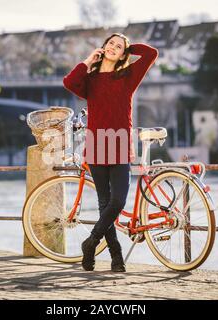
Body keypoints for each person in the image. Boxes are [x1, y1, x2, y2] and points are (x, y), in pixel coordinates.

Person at [63, 33, 158, 272]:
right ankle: (116, 258)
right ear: (103, 47)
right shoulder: (91, 79)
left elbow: (150, 54)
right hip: (96, 144)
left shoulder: (128, 76)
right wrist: (88, 60)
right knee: (104, 203)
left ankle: (91, 242)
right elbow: (69, 82)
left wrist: (127, 48)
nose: (114, 48)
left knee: (117, 201)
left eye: (119, 46)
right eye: (111, 44)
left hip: (120, 144)